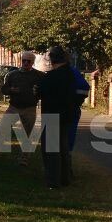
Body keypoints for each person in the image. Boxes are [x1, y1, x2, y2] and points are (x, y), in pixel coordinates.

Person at [0, 51, 43, 165]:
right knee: (2, 129)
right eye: (24, 61)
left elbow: (45, 91)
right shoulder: (12, 74)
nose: (26, 63)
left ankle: (24, 159)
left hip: (30, 108)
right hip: (14, 107)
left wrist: (38, 92)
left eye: (28, 61)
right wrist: (11, 90)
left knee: (28, 134)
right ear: (21, 61)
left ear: (32, 62)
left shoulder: (39, 76)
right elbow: (4, 89)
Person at [37, 46, 77, 189]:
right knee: (63, 148)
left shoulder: (51, 77)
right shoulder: (70, 74)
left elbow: (40, 91)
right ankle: (65, 178)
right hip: (67, 115)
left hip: (52, 114)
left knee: (50, 150)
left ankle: (53, 181)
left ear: (52, 59)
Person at [69, 65, 91, 151]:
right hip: (71, 110)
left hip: (53, 112)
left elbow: (84, 87)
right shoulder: (71, 70)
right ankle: (65, 161)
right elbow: (84, 88)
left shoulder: (51, 72)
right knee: (67, 141)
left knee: (52, 145)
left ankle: (52, 163)